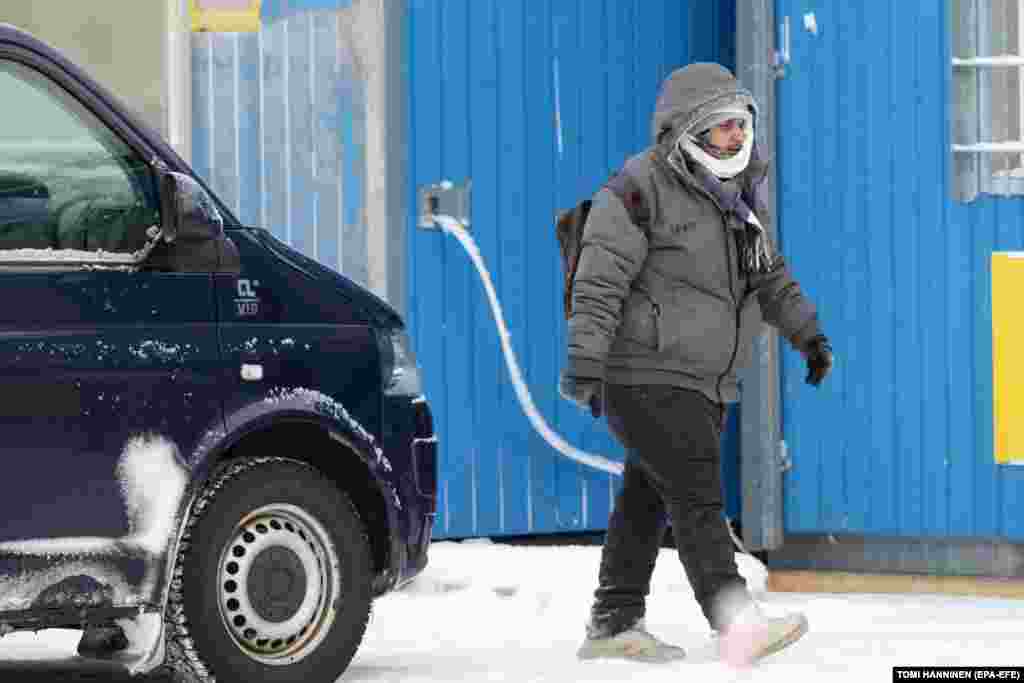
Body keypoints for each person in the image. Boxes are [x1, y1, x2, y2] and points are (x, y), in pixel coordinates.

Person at [558, 62, 833, 666]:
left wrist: (808, 335)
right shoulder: (638, 189)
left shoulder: (738, 198)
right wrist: (584, 360)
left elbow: (770, 276)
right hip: (644, 374)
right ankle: (735, 620)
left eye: (743, 125)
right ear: (687, 130)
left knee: (646, 497)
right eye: (724, 127)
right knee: (696, 495)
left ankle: (614, 618)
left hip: (698, 379)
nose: (737, 138)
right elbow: (599, 281)